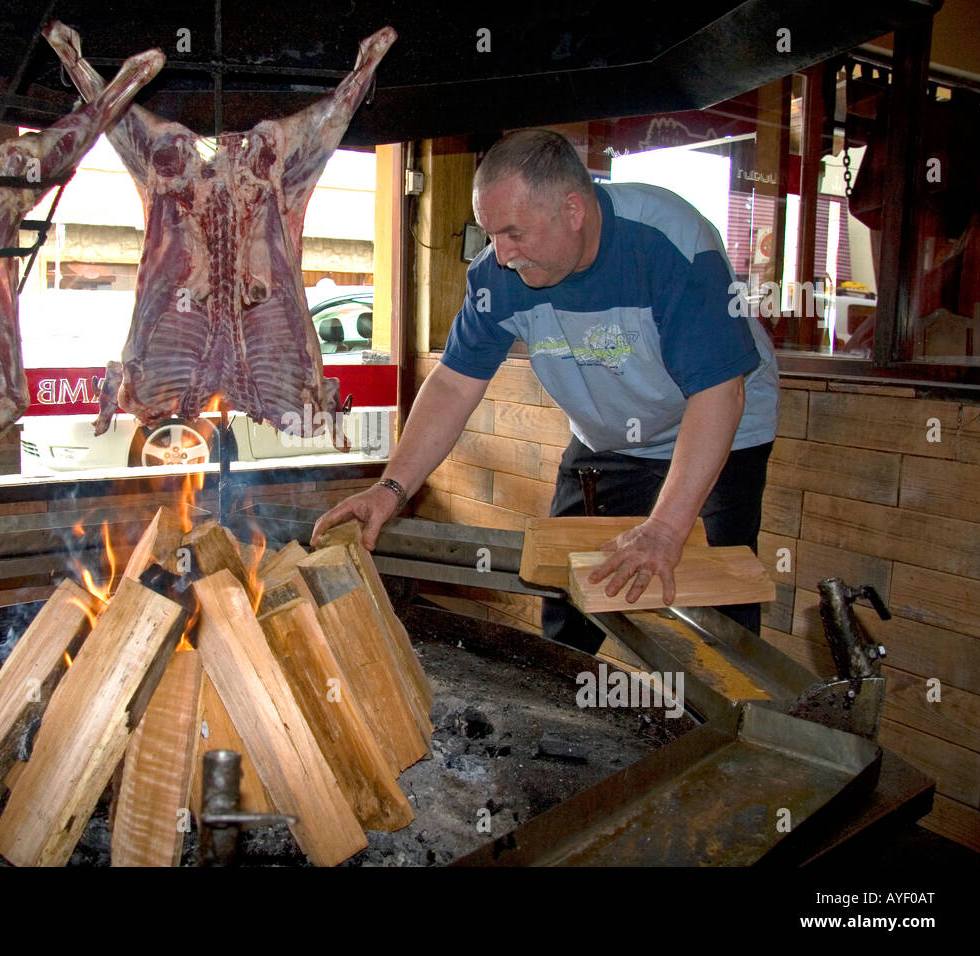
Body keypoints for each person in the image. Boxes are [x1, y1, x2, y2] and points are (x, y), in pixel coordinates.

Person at [312, 129, 779, 652]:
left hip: (718, 429)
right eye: (491, 234)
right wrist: (390, 489)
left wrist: (667, 530)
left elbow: (720, 393)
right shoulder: (497, 275)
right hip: (607, 439)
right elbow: (451, 384)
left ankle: (725, 724)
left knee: (713, 606)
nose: (501, 254)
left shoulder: (668, 243)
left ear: (573, 210)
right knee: (566, 591)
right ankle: (569, 714)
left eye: (514, 233)